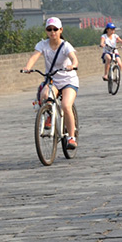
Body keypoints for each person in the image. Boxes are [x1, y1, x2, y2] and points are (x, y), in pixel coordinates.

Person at [20, 17, 80, 149]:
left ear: (60, 30)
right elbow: (34, 56)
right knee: (45, 95)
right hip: (53, 79)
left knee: (65, 105)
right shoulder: (42, 45)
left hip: (68, 80)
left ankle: (71, 137)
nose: (52, 32)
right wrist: (28, 67)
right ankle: (49, 114)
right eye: (49, 29)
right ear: (46, 31)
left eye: (55, 29)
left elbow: (73, 58)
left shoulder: (65, 46)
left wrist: (73, 65)